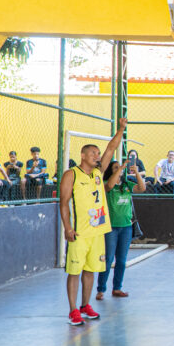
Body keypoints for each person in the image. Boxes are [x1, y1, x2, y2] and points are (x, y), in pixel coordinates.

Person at [58, 119, 126, 326]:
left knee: (90, 270)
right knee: (74, 271)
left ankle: (85, 305)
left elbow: (111, 148)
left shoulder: (98, 173)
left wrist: (121, 129)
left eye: (98, 153)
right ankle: (72, 311)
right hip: (80, 233)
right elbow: (63, 203)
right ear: (83, 155)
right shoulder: (71, 174)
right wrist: (67, 227)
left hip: (98, 231)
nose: (97, 156)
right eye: (93, 153)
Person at [97, 158, 147, 300]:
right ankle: (101, 289)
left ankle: (117, 288)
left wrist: (137, 173)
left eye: (121, 167)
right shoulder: (107, 184)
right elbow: (110, 185)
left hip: (126, 227)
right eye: (115, 167)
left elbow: (142, 188)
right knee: (108, 258)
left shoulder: (126, 185)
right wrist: (120, 169)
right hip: (111, 227)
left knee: (121, 260)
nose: (120, 169)